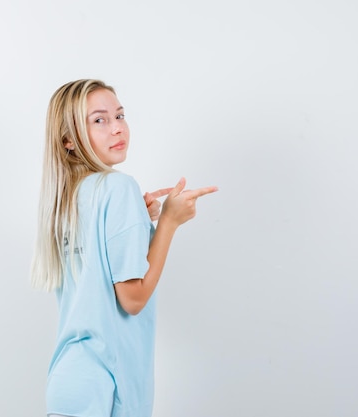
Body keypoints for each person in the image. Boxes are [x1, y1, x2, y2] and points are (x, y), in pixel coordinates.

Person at [30, 79, 218, 417]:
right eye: (99, 120)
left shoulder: (64, 201)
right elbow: (132, 299)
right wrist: (169, 224)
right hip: (106, 386)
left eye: (120, 115)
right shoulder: (118, 188)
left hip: (69, 381)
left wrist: (139, 227)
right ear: (69, 140)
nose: (117, 128)